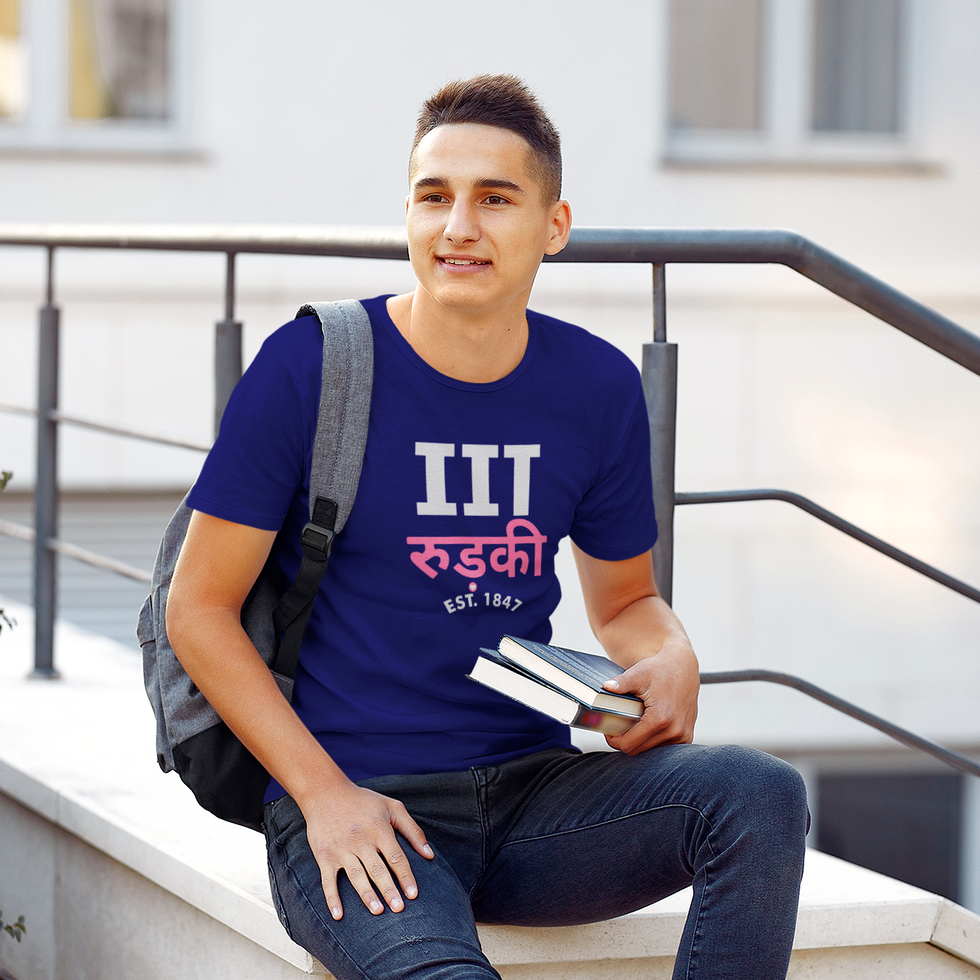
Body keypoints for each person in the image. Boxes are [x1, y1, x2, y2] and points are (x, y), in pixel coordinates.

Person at [167, 74, 808, 980]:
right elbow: (198, 609)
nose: (458, 226)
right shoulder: (309, 367)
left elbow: (626, 601)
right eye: (434, 196)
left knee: (760, 795)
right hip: (361, 802)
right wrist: (322, 796)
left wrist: (670, 654)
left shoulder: (596, 387)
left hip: (535, 797)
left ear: (554, 225)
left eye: (495, 199)